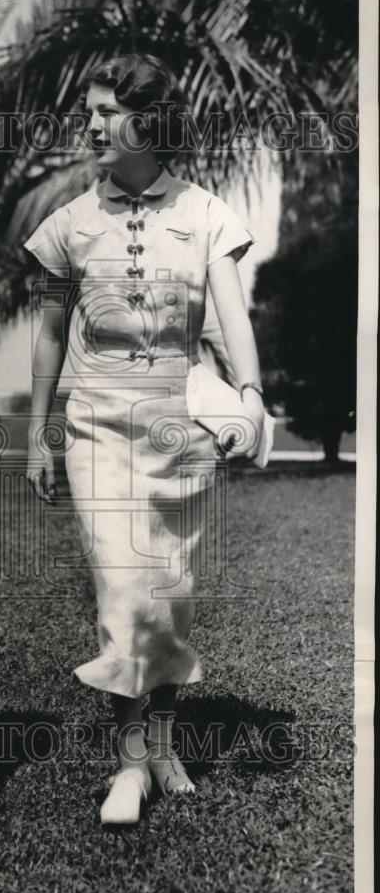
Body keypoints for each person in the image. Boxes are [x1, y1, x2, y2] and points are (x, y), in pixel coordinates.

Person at [24, 53, 265, 823]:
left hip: (179, 423)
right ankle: (130, 766)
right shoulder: (68, 224)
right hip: (96, 424)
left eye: (106, 111)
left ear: (150, 122)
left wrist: (250, 399)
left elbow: (232, 318)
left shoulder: (206, 214)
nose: (91, 124)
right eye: (89, 109)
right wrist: (38, 434)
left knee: (167, 594)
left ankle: (162, 745)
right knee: (120, 585)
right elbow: (49, 335)